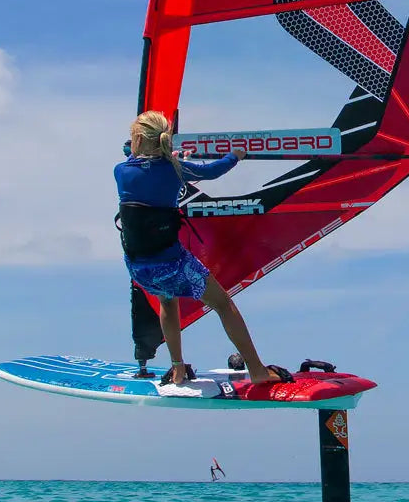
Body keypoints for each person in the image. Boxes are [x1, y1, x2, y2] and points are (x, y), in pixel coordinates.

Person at [115, 110, 292, 387]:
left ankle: (178, 369)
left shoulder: (121, 171)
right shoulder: (175, 169)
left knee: (167, 300)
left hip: (140, 268)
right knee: (223, 304)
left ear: (138, 140)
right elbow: (212, 171)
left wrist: (154, 154)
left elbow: (135, 160)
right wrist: (235, 156)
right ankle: (258, 370)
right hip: (172, 264)